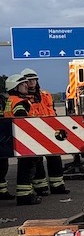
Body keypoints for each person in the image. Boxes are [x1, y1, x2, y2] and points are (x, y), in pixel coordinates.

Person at [21, 68, 69, 196]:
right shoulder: (22, 97)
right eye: (29, 80)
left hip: (50, 129)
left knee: (55, 158)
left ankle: (57, 185)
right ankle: (40, 187)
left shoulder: (45, 95)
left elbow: (52, 111)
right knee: (37, 160)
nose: (32, 82)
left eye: (34, 79)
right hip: (33, 131)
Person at [4, 74, 41, 205]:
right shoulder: (20, 102)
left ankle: (25, 194)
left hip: (15, 139)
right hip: (24, 140)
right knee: (27, 167)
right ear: (15, 87)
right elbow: (22, 119)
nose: (26, 85)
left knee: (25, 166)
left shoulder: (11, 100)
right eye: (22, 84)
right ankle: (25, 196)